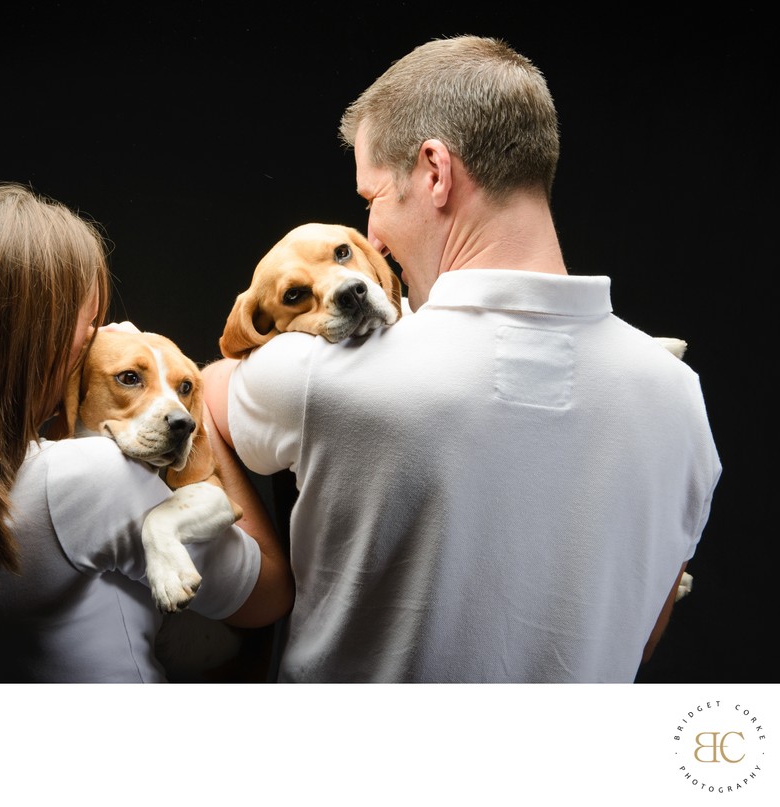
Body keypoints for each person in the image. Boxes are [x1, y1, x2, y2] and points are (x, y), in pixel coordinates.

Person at [202, 35, 721, 682]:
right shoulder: (679, 398)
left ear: (434, 172)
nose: (370, 239)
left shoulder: (319, 374)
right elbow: (642, 635)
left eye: (372, 200)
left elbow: (204, 390)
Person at [0, 182, 293, 682]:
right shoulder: (91, 478)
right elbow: (269, 595)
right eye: (89, 325)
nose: (101, 337)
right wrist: (196, 395)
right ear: (26, 340)